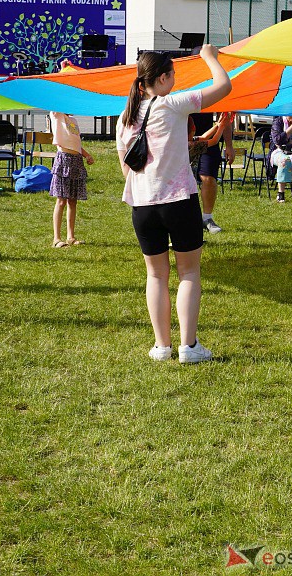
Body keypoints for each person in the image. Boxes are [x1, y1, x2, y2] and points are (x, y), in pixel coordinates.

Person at [118, 46, 232, 364]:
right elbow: (224, 87)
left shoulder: (124, 118)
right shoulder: (173, 104)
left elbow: (125, 168)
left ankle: (161, 346)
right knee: (189, 273)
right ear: (165, 77)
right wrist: (210, 57)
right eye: (173, 75)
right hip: (179, 202)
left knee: (155, 276)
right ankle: (189, 346)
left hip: (142, 206)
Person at [50, 110, 95, 248]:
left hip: (76, 161)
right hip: (64, 160)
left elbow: (76, 143)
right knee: (61, 200)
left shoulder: (73, 121)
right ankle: (56, 239)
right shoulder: (57, 116)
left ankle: (71, 236)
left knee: (72, 201)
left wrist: (86, 155)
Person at [190, 110, 234, 232]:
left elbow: (224, 116)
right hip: (185, 139)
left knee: (208, 178)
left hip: (203, 139)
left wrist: (229, 146)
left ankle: (207, 218)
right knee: (185, 184)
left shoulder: (211, 93)